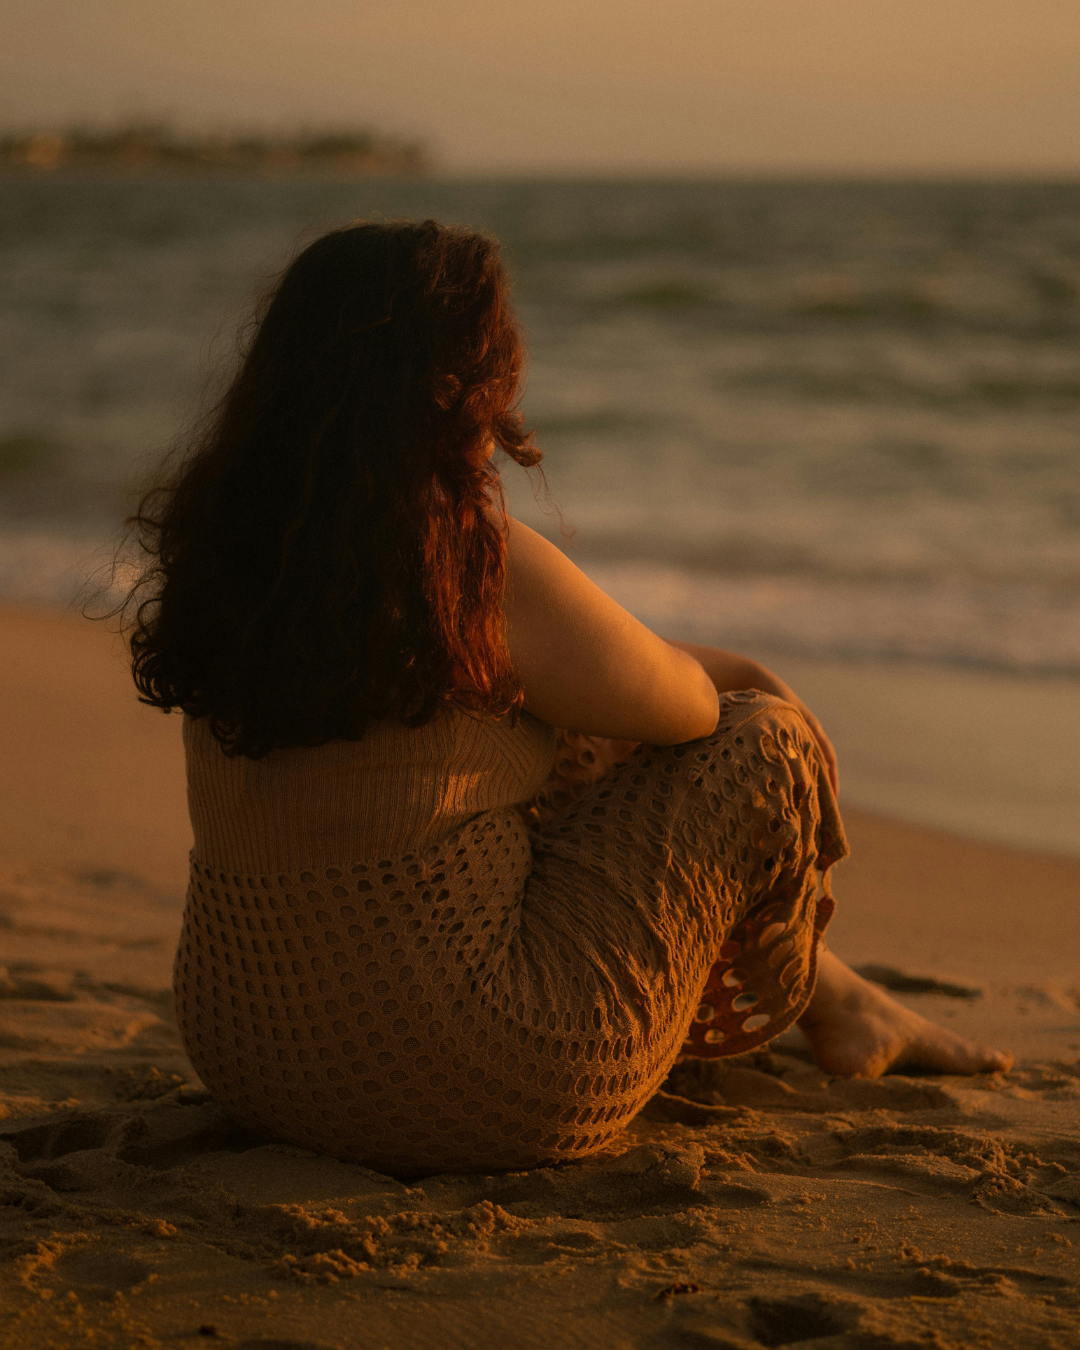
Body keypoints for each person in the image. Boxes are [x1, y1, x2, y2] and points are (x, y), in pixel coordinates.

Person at [125, 219, 1011, 1176]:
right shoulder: (469, 565)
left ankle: (843, 1002)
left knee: (547, 746)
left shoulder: (223, 552)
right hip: (481, 1077)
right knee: (757, 740)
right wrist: (763, 687)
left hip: (248, 1052)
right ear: (457, 382)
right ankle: (845, 1004)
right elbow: (691, 712)